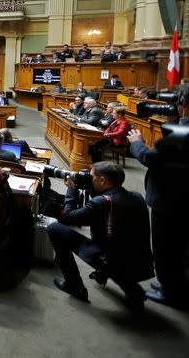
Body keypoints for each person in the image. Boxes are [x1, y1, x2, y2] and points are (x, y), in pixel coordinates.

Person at [46, 162, 153, 310]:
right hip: (140, 264)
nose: (89, 179)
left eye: (92, 177)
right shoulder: (136, 197)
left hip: (109, 262)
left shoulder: (100, 203)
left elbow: (68, 218)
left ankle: (74, 286)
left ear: (103, 180)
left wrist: (72, 190)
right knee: (120, 251)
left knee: (54, 229)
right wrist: (89, 186)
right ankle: (133, 290)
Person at [127, 83, 189, 308]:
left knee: (166, 248)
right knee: (181, 247)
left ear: (183, 105)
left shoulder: (185, 131)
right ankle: (173, 285)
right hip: (181, 198)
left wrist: (137, 144)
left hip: (170, 200)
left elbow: (151, 159)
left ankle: (171, 291)